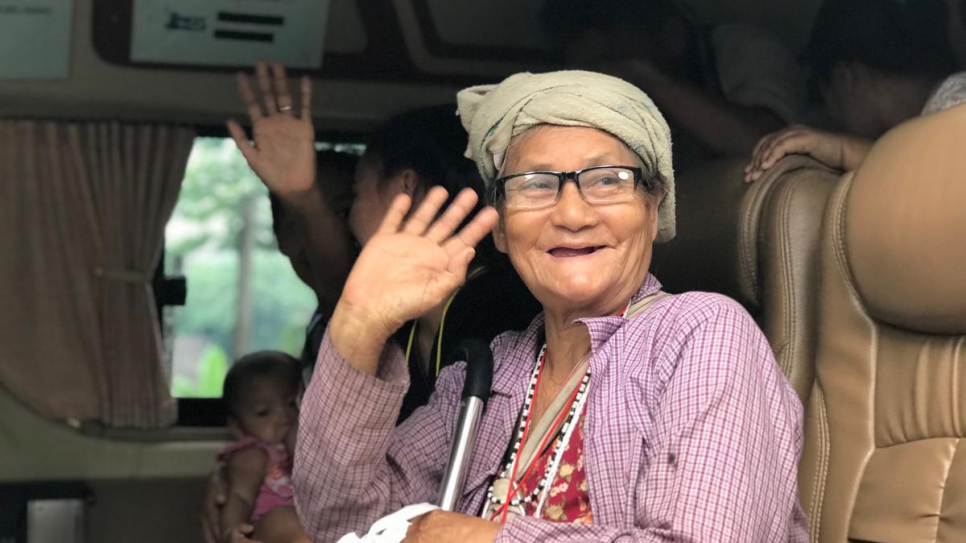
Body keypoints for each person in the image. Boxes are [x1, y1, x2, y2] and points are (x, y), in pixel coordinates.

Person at [294, 70, 807, 541]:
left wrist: (478, 537)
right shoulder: (492, 368)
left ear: (653, 209)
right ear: (499, 225)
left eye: (607, 180)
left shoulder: (703, 332)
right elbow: (348, 522)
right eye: (535, 185)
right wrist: (358, 324)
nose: (572, 213)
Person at [541, 0, 806, 165]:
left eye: (610, 57)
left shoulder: (741, 49)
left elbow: (774, 145)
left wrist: (643, 77)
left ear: (673, 36)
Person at [745, 0, 962, 181]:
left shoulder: (953, 106)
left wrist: (842, 149)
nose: (833, 117)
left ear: (845, 78)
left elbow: (928, 171)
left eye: (826, 99)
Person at [217, 351, 307, 543]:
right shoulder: (254, 455)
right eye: (264, 412)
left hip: (311, 525)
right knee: (283, 521)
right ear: (238, 426)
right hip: (266, 531)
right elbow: (240, 497)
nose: (284, 417)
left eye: (292, 403)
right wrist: (233, 530)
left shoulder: (309, 442)